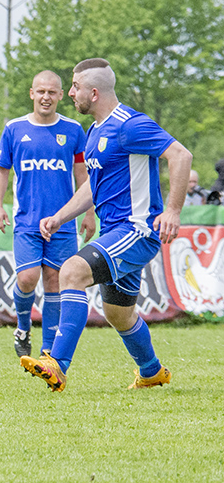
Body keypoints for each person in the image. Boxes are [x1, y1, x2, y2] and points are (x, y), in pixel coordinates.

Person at [21, 58, 192, 392]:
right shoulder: (95, 131)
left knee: (72, 271)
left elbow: (180, 155)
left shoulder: (129, 125)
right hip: (114, 233)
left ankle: (57, 363)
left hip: (137, 230)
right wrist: (60, 216)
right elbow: (92, 187)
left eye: (75, 87)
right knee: (118, 314)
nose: (70, 93)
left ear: (94, 92)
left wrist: (172, 211)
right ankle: (152, 371)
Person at [0, 70, 96, 358]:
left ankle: (48, 351)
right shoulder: (14, 129)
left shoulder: (74, 130)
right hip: (26, 220)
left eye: (52, 92)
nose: (46, 97)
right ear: (31, 93)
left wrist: (88, 214)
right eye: (41, 91)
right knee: (27, 278)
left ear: (62, 95)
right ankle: (23, 327)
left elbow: (83, 174)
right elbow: (1, 169)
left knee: (55, 280)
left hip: (63, 221)